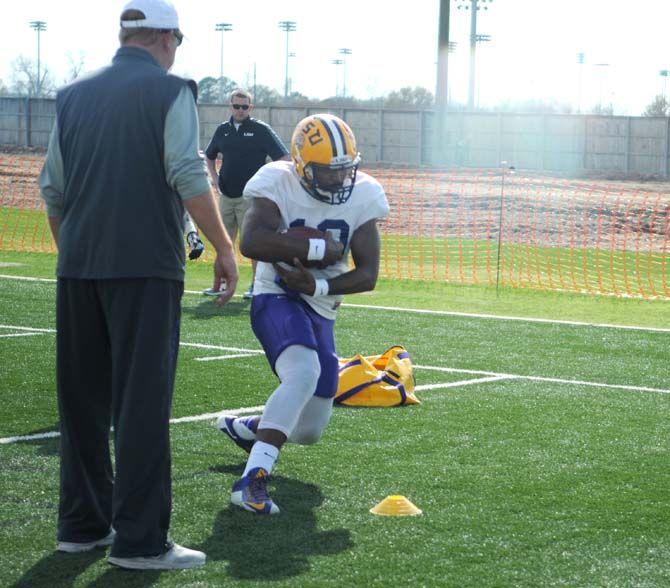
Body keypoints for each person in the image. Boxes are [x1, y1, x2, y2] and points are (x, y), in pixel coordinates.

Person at [38, 0, 238, 570]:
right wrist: (224, 248)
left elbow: (52, 190)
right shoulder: (172, 91)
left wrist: (77, 248)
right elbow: (186, 170)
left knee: (81, 402)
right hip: (145, 268)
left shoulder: (71, 95)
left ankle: (81, 527)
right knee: (140, 405)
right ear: (168, 38)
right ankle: (141, 541)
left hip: (78, 267)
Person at [217, 114, 389, 515]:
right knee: (304, 373)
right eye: (326, 172)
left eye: (344, 170)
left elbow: (368, 275)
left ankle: (255, 430)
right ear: (299, 164)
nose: (336, 180)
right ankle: (252, 480)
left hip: (320, 303)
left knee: (309, 429)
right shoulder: (275, 180)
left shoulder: (363, 194)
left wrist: (318, 285)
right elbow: (252, 241)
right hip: (274, 293)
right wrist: (316, 251)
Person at [204, 89, 289, 299]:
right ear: (230, 106)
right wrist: (215, 179)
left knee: (251, 244)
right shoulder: (222, 130)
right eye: (236, 106)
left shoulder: (261, 130)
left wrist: (268, 184)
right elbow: (209, 156)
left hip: (250, 198)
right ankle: (220, 285)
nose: (240, 110)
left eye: (244, 106)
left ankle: (256, 286)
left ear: (250, 108)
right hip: (226, 196)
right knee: (223, 242)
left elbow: (284, 158)